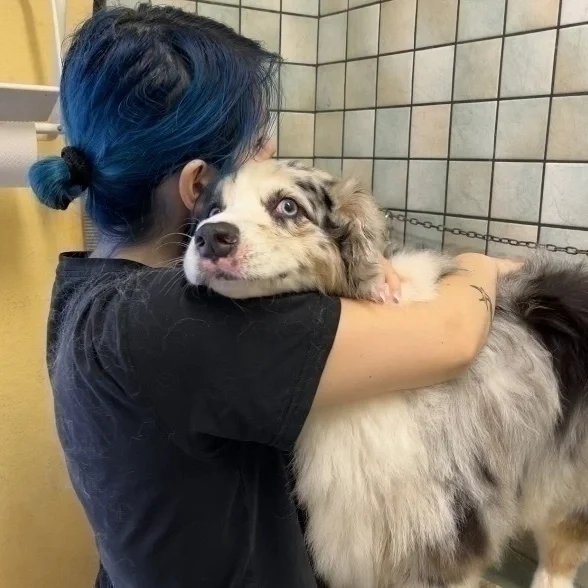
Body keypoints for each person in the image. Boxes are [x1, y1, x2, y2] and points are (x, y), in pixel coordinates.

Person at [30, 6, 516, 588]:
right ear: (200, 186)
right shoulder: (176, 319)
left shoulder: (90, 294)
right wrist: (479, 266)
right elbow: (452, 338)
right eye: (259, 142)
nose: (273, 148)